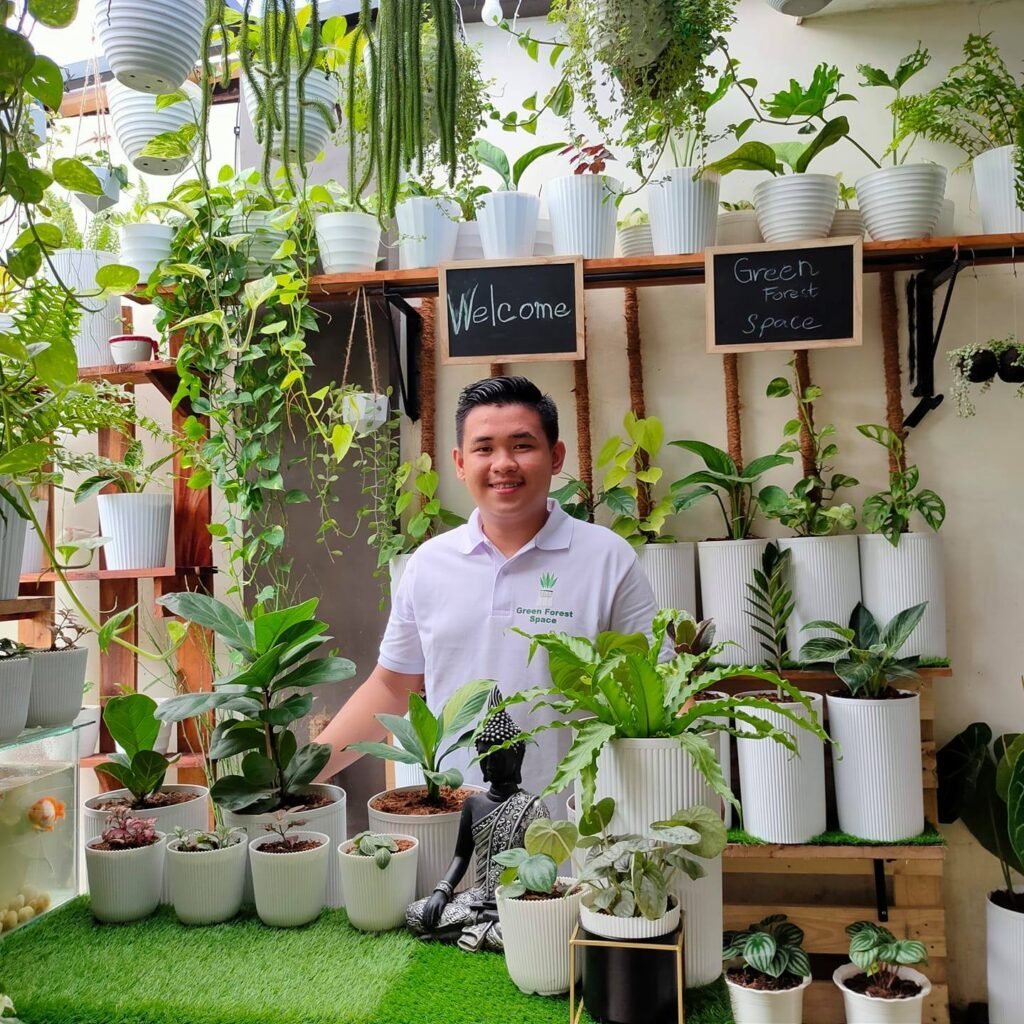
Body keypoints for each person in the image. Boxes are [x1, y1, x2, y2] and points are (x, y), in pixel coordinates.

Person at [313, 375, 661, 798]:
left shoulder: (608, 558)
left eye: (522, 445)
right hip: (453, 819)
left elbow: (652, 684)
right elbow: (392, 686)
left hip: (578, 826)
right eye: (484, 449)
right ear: (460, 463)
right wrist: (306, 772)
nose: (503, 464)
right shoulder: (428, 564)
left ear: (555, 456)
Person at [405, 687, 548, 952]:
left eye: (498, 755)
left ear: (516, 758)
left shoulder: (533, 806)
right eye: (484, 756)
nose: (490, 763)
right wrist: (442, 892)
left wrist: (515, 903)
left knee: (530, 928)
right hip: (478, 898)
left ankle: (462, 932)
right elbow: (461, 857)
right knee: (416, 913)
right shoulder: (473, 804)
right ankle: (480, 926)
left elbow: (541, 868)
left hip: (516, 901)